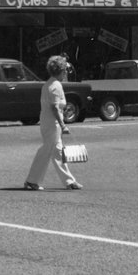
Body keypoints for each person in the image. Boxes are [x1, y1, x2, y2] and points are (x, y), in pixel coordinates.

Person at [24, 54, 83, 191]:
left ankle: (69, 181)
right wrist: (63, 125)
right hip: (53, 124)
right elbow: (54, 107)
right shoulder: (56, 86)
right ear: (61, 71)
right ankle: (32, 181)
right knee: (46, 151)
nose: (66, 73)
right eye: (65, 71)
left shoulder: (48, 84)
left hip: (47, 121)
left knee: (56, 152)